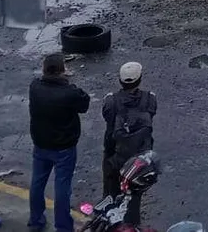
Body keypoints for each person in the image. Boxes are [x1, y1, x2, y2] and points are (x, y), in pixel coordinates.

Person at [28, 52, 90, 232]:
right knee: (62, 186)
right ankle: (63, 226)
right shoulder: (68, 93)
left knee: (38, 182)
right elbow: (84, 103)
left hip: (40, 144)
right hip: (64, 147)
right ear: (62, 71)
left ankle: (36, 220)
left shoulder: (35, 87)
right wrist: (67, 82)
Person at [101, 62, 157, 227]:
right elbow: (151, 115)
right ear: (139, 80)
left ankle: (111, 224)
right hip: (139, 157)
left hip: (115, 154)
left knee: (110, 194)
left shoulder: (111, 101)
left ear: (120, 80)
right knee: (133, 196)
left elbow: (108, 120)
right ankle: (131, 226)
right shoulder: (150, 99)